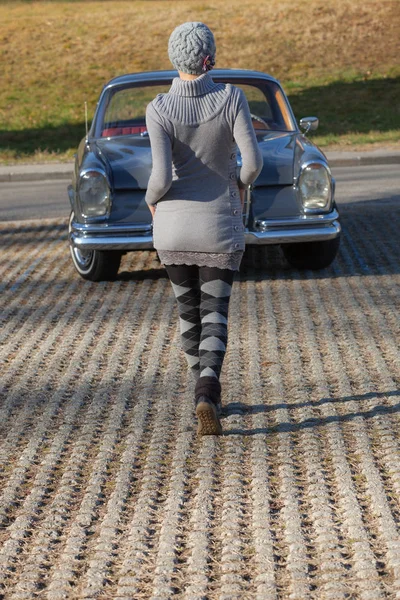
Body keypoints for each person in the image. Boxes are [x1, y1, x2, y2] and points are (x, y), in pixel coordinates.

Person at [145, 21, 263, 436]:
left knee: (187, 311)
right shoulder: (232, 98)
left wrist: (149, 201)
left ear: (173, 57)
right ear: (210, 55)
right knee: (215, 312)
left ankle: (201, 392)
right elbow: (252, 165)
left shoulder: (158, 108)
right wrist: (238, 185)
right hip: (219, 224)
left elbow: (160, 179)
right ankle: (207, 392)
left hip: (173, 230)